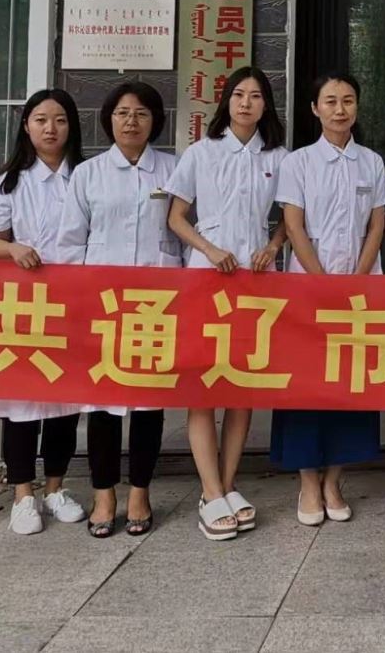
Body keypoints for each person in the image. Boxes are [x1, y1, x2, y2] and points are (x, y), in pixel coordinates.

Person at [166, 67, 289, 541]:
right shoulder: (201, 152)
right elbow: (177, 217)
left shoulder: (278, 156)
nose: (246, 103)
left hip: (255, 279)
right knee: (203, 386)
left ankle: (229, 483)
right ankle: (210, 490)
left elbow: (292, 214)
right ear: (226, 101)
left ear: (265, 105)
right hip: (207, 275)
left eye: (255, 96)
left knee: (242, 386)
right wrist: (210, 249)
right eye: (238, 94)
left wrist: (273, 245)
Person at [58, 81, 180, 539]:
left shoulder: (173, 169)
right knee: (103, 403)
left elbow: (185, 231)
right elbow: (71, 242)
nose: (132, 121)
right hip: (102, 304)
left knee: (149, 402)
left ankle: (140, 492)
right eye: (123, 113)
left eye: (142, 113)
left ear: (155, 121)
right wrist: (76, 300)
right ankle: (104, 492)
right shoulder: (88, 174)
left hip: (156, 303)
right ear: (109, 119)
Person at [273, 74, 385, 526]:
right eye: (331, 101)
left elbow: (376, 226)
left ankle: (334, 480)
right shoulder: (298, 162)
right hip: (307, 290)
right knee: (305, 384)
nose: (340, 110)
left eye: (348, 101)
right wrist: (322, 283)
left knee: (351, 385)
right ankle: (307, 481)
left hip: (359, 290)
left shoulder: (371, 162)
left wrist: (357, 280)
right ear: (315, 108)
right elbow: (294, 226)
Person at [0, 90, 88, 535]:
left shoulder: (86, 176)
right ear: (26, 126)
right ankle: (23, 494)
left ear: (71, 126)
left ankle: (56, 488)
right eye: (41, 119)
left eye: (60, 119)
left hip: (73, 303)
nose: (50, 128)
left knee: (65, 400)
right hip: (23, 305)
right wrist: (13, 248)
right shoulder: (8, 182)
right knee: (21, 401)